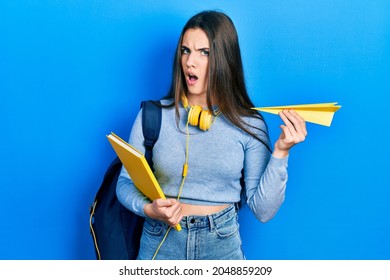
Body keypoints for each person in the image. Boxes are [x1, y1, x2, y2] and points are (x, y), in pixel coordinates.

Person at [116, 10, 307, 260]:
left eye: (203, 52)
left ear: (224, 59)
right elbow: (125, 184)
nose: (189, 62)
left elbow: (263, 210)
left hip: (221, 247)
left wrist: (281, 152)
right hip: (160, 243)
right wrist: (149, 209)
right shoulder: (153, 116)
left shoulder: (249, 124)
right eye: (186, 50)